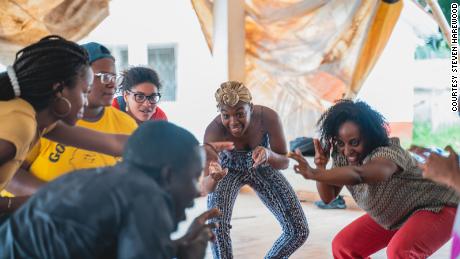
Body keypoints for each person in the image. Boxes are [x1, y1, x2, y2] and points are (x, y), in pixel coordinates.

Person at [0, 121, 226, 258]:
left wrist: (176, 248)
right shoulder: (146, 194)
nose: (195, 191)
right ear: (167, 175)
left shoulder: (113, 180)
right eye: (193, 177)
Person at [289, 99, 460, 259]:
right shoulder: (343, 156)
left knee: (401, 251)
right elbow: (328, 197)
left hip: (438, 206)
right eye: (340, 143)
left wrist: (314, 174)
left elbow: (360, 174)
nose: (347, 150)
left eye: (354, 142)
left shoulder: (388, 151)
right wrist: (320, 166)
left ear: (369, 135)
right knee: (344, 246)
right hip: (398, 212)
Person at [0, 36, 128, 213]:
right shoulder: (20, 124)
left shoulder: (42, 121)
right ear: (59, 90)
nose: (85, 101)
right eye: (85, 92)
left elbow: (112, 143)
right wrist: (47, 199)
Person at [202, 81, 309, 258]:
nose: (233, 122)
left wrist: (269, 154)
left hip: (262, 164)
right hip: (227, 171)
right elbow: (206, 187)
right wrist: (214, 177)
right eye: (225, 115)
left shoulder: (268, 117)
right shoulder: (213, 132)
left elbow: (284, 162)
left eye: (239, 113)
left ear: (250, 107)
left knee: (299, 230)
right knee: (216, 226)